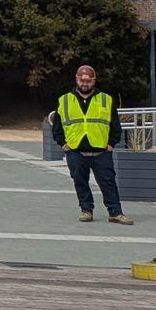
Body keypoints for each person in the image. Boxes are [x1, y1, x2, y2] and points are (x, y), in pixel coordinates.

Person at [51, 64, 133, 225]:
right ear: (76, 79)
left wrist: (111, 144)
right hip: (75, 150)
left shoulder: (105, 99)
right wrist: (63, 144)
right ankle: (86, 210)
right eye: (82, 80)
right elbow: (57, 127)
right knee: (80, 182)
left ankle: (115, 213)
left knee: (108, 182)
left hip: (101, 151)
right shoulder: (65, 100)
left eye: (88, 80)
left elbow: (115, 126)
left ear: (94, 81)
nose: (84, 83)